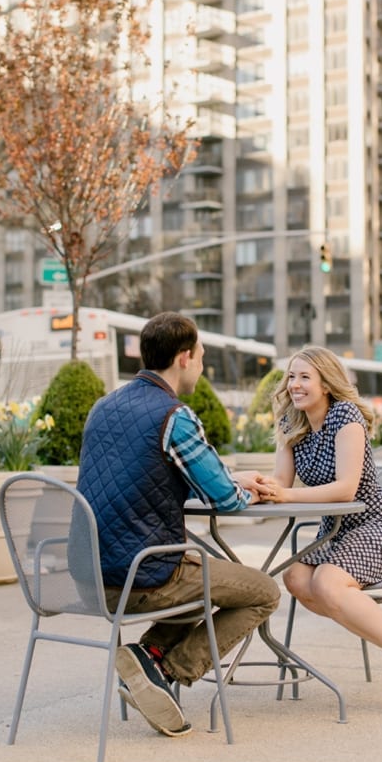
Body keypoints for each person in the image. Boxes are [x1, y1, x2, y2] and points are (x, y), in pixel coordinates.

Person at [75, 311, 279, 738]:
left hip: (91, 575)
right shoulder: (174, 415)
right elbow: (224, 500)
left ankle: (145, 655)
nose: (202, 367)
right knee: (263, 592)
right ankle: (166, 670)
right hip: (145, 575)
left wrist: (225, 479)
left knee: (198, 577)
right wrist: (247, 489)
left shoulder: (102, 406)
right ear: (184, 358)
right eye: (202, 357)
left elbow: (138, 478)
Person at [253, 345, 382, 710]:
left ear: (326, 383)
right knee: (296, 579)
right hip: (335, 532)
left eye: (304, 377)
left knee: (328, 584)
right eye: (291, 376)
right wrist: (255, 488)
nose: (294, 385)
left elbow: (346, 487)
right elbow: (281, 481)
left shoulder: (345, 416)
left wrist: (283, 495)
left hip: (375, 526)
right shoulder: (289, 422)